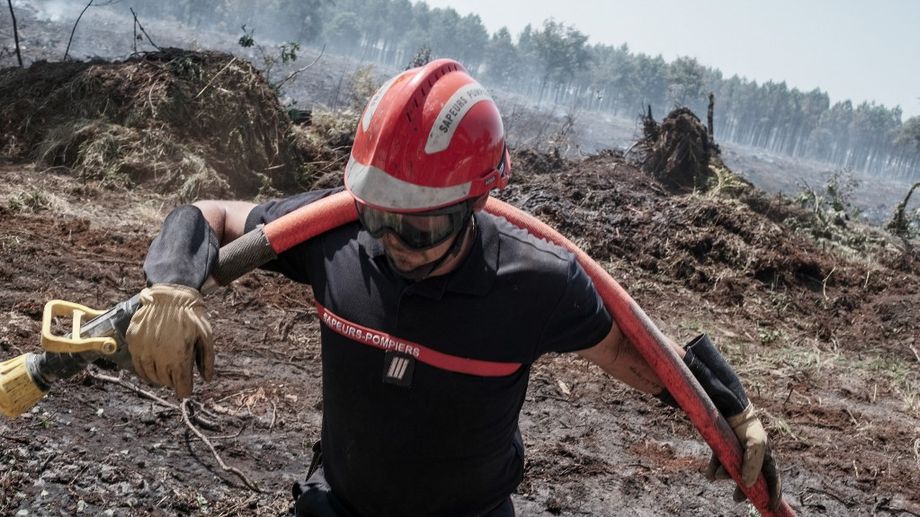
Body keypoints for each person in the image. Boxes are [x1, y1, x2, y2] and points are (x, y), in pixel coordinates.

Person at [125, 59, 782, 516]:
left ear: (477, 203)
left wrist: (725, 409)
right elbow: (209, 214)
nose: (392, 244)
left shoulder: (536, 281)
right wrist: (171, 286)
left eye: (421, 228)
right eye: (378, 217)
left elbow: (629, 350)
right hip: (338, 505)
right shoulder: (332, 233)